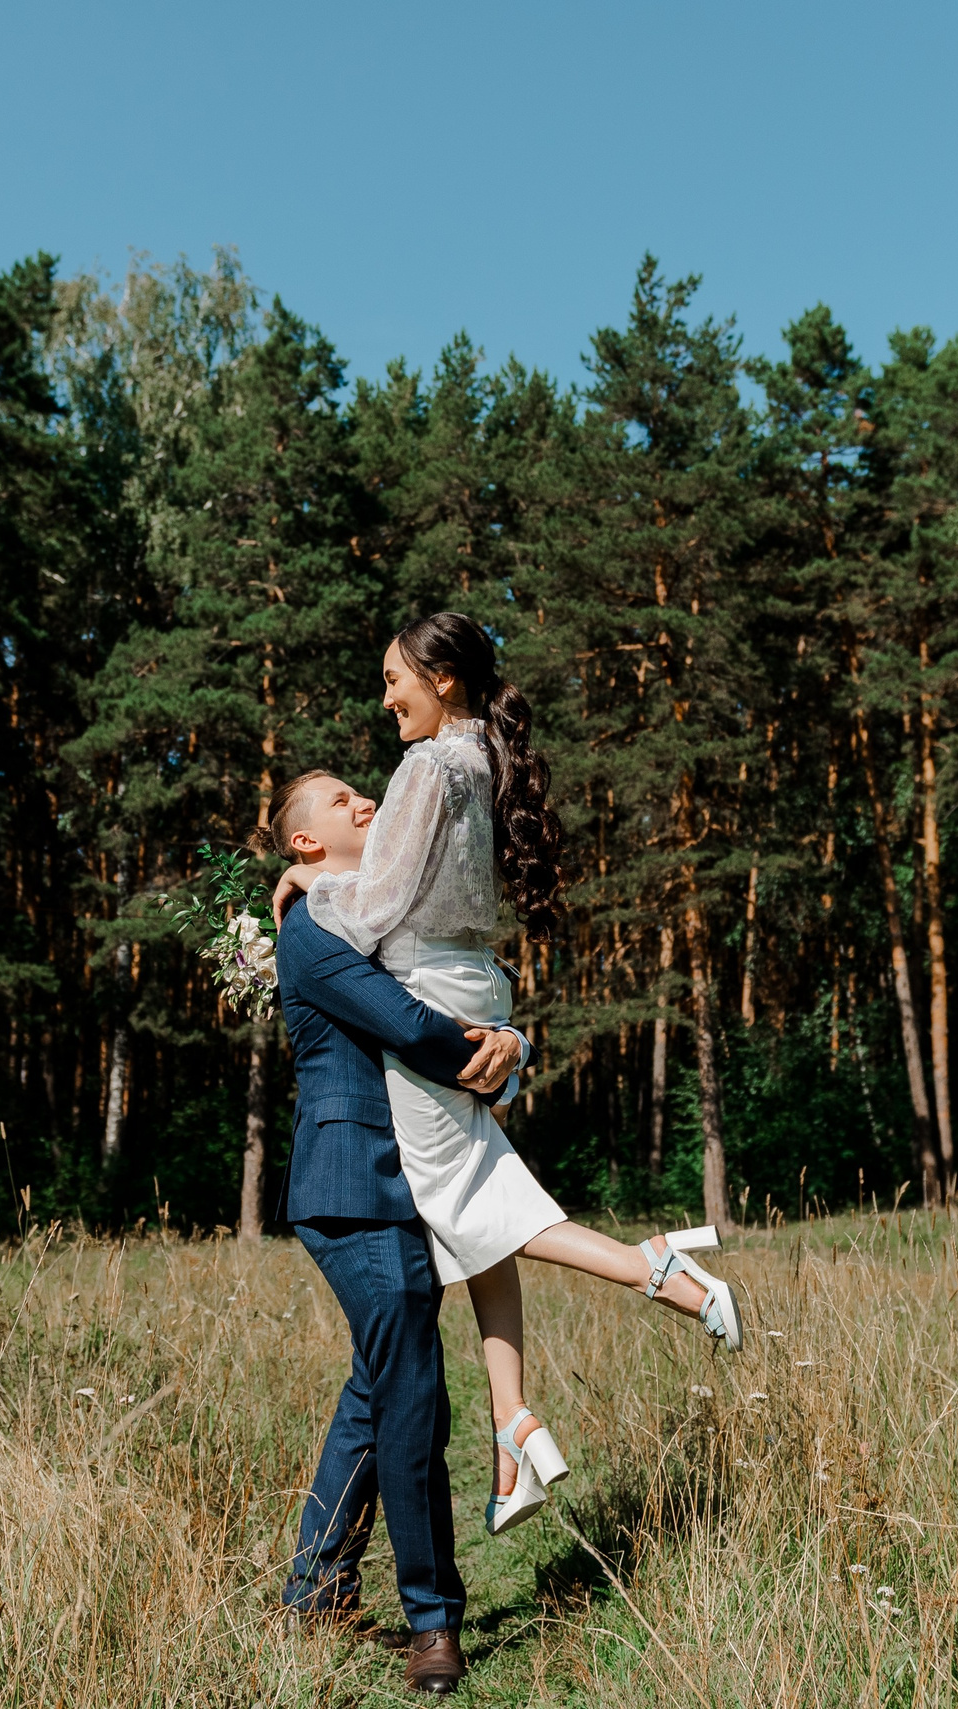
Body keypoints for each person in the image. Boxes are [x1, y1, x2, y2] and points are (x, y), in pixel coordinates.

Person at [271, 612, 745, 1543]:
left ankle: (651, 1267)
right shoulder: (484, 754)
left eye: (393, 678)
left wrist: (311, 888)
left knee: (470, 1200)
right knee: (471, 1212)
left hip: (427, 984)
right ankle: (511, 1428)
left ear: (440, 677)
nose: (385, 698)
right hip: (474, 976)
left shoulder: (427, 767)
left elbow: (376, 905)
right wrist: (512, 1038)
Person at [266, 795, 528, 1696]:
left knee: (377, 1387)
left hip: (405, 1181)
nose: (368, 801)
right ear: (306, 839)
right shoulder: (310, 928)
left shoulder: (371, 914)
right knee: (414, 1386)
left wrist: (512, 1037)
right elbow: (411, 1023)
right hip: (352, 1182)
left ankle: (314, 1592)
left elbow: (457, 983)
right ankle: (433, 1620)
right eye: (343, 800)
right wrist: (496, 1055)